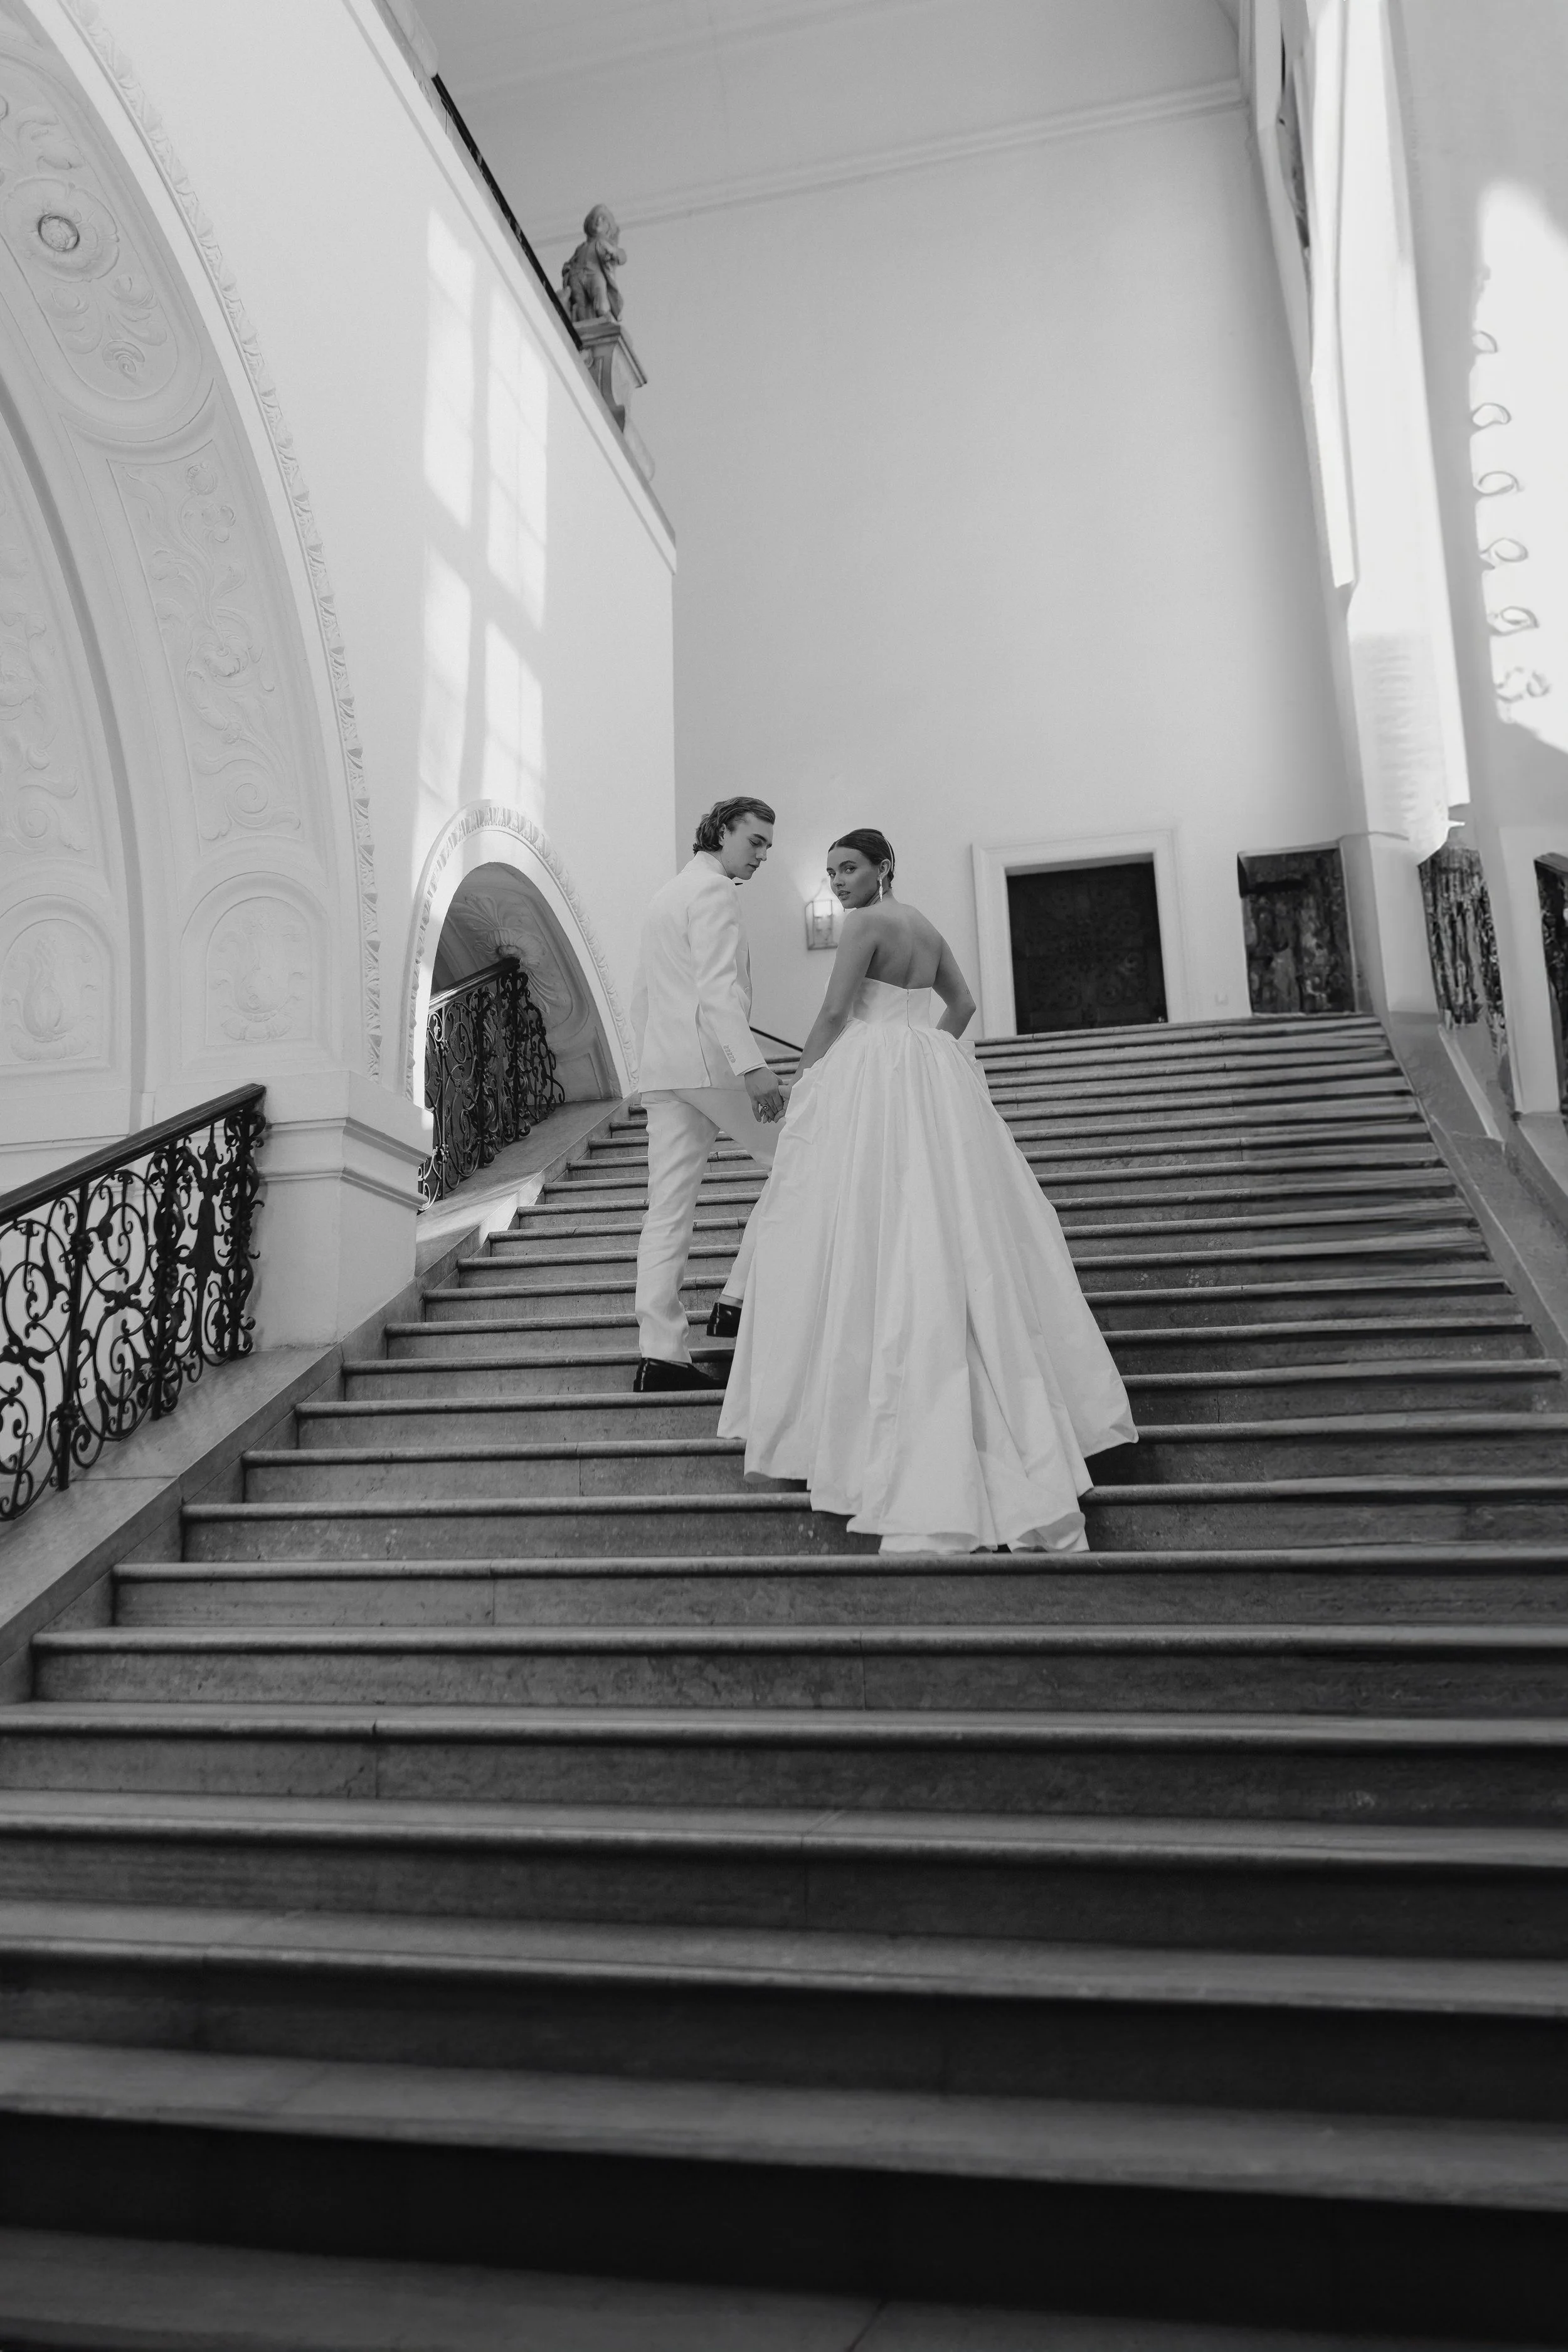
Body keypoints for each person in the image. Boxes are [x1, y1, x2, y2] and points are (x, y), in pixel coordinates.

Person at [719, 827, 1135, 1549]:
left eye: (849, 868)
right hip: (930, 1071)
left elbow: (834, 1014)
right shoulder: (923, 925)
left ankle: (849, 1426)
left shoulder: (866, 925)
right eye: (831, 871)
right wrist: (928, 1050)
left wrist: (802, 1081)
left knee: (865, 1220)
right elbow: (963, 1004)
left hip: (871, 1073)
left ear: (882, 868)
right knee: (950, 1217)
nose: (837, 881)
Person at [630, 796, 787, 1393]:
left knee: (666, 1210)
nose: (762, 855)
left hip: (664, 1069)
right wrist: (754, 1068)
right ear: (722, 832)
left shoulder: (666, 894)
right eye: (755, 841)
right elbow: (719, 990)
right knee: (801, 1156)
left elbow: (643, 994)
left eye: (767, 846)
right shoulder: (716, 892)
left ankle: (660, 1354)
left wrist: (651, 1065)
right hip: (710, 1066)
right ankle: (738, 1298)